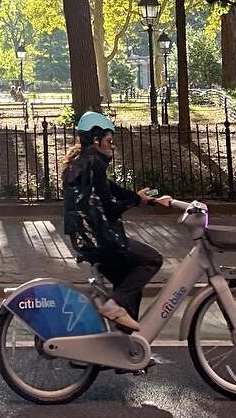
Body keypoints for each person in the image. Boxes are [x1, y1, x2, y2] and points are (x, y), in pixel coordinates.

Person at [62, 110, 170, 331]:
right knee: (152, 259)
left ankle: (126, 351)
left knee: (129, 283)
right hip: (101, 241)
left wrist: (144, 199)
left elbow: (114, 191)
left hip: (87, 239)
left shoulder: (85, 164)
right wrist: (135, 201)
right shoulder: (94, 166)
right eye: (109, 141)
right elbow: (111, 208)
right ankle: (114, 306)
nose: (112, 146)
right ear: (95, 139)